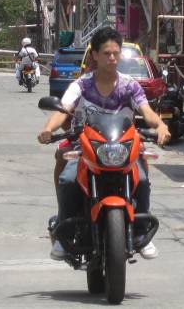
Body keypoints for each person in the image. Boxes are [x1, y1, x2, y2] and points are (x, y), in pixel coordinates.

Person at [38, 27, 171, 261]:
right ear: (95, 56)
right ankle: (63, 234)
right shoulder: (81, 85)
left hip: (122, 147)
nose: (112, 58)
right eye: (106, 53)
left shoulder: (130, 85)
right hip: (85, 147)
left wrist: (160, 126)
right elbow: (64, 110)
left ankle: (141, 233)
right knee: (68, 180)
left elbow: (147, 112)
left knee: (140, 178)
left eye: (116, 53)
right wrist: (48, 129)